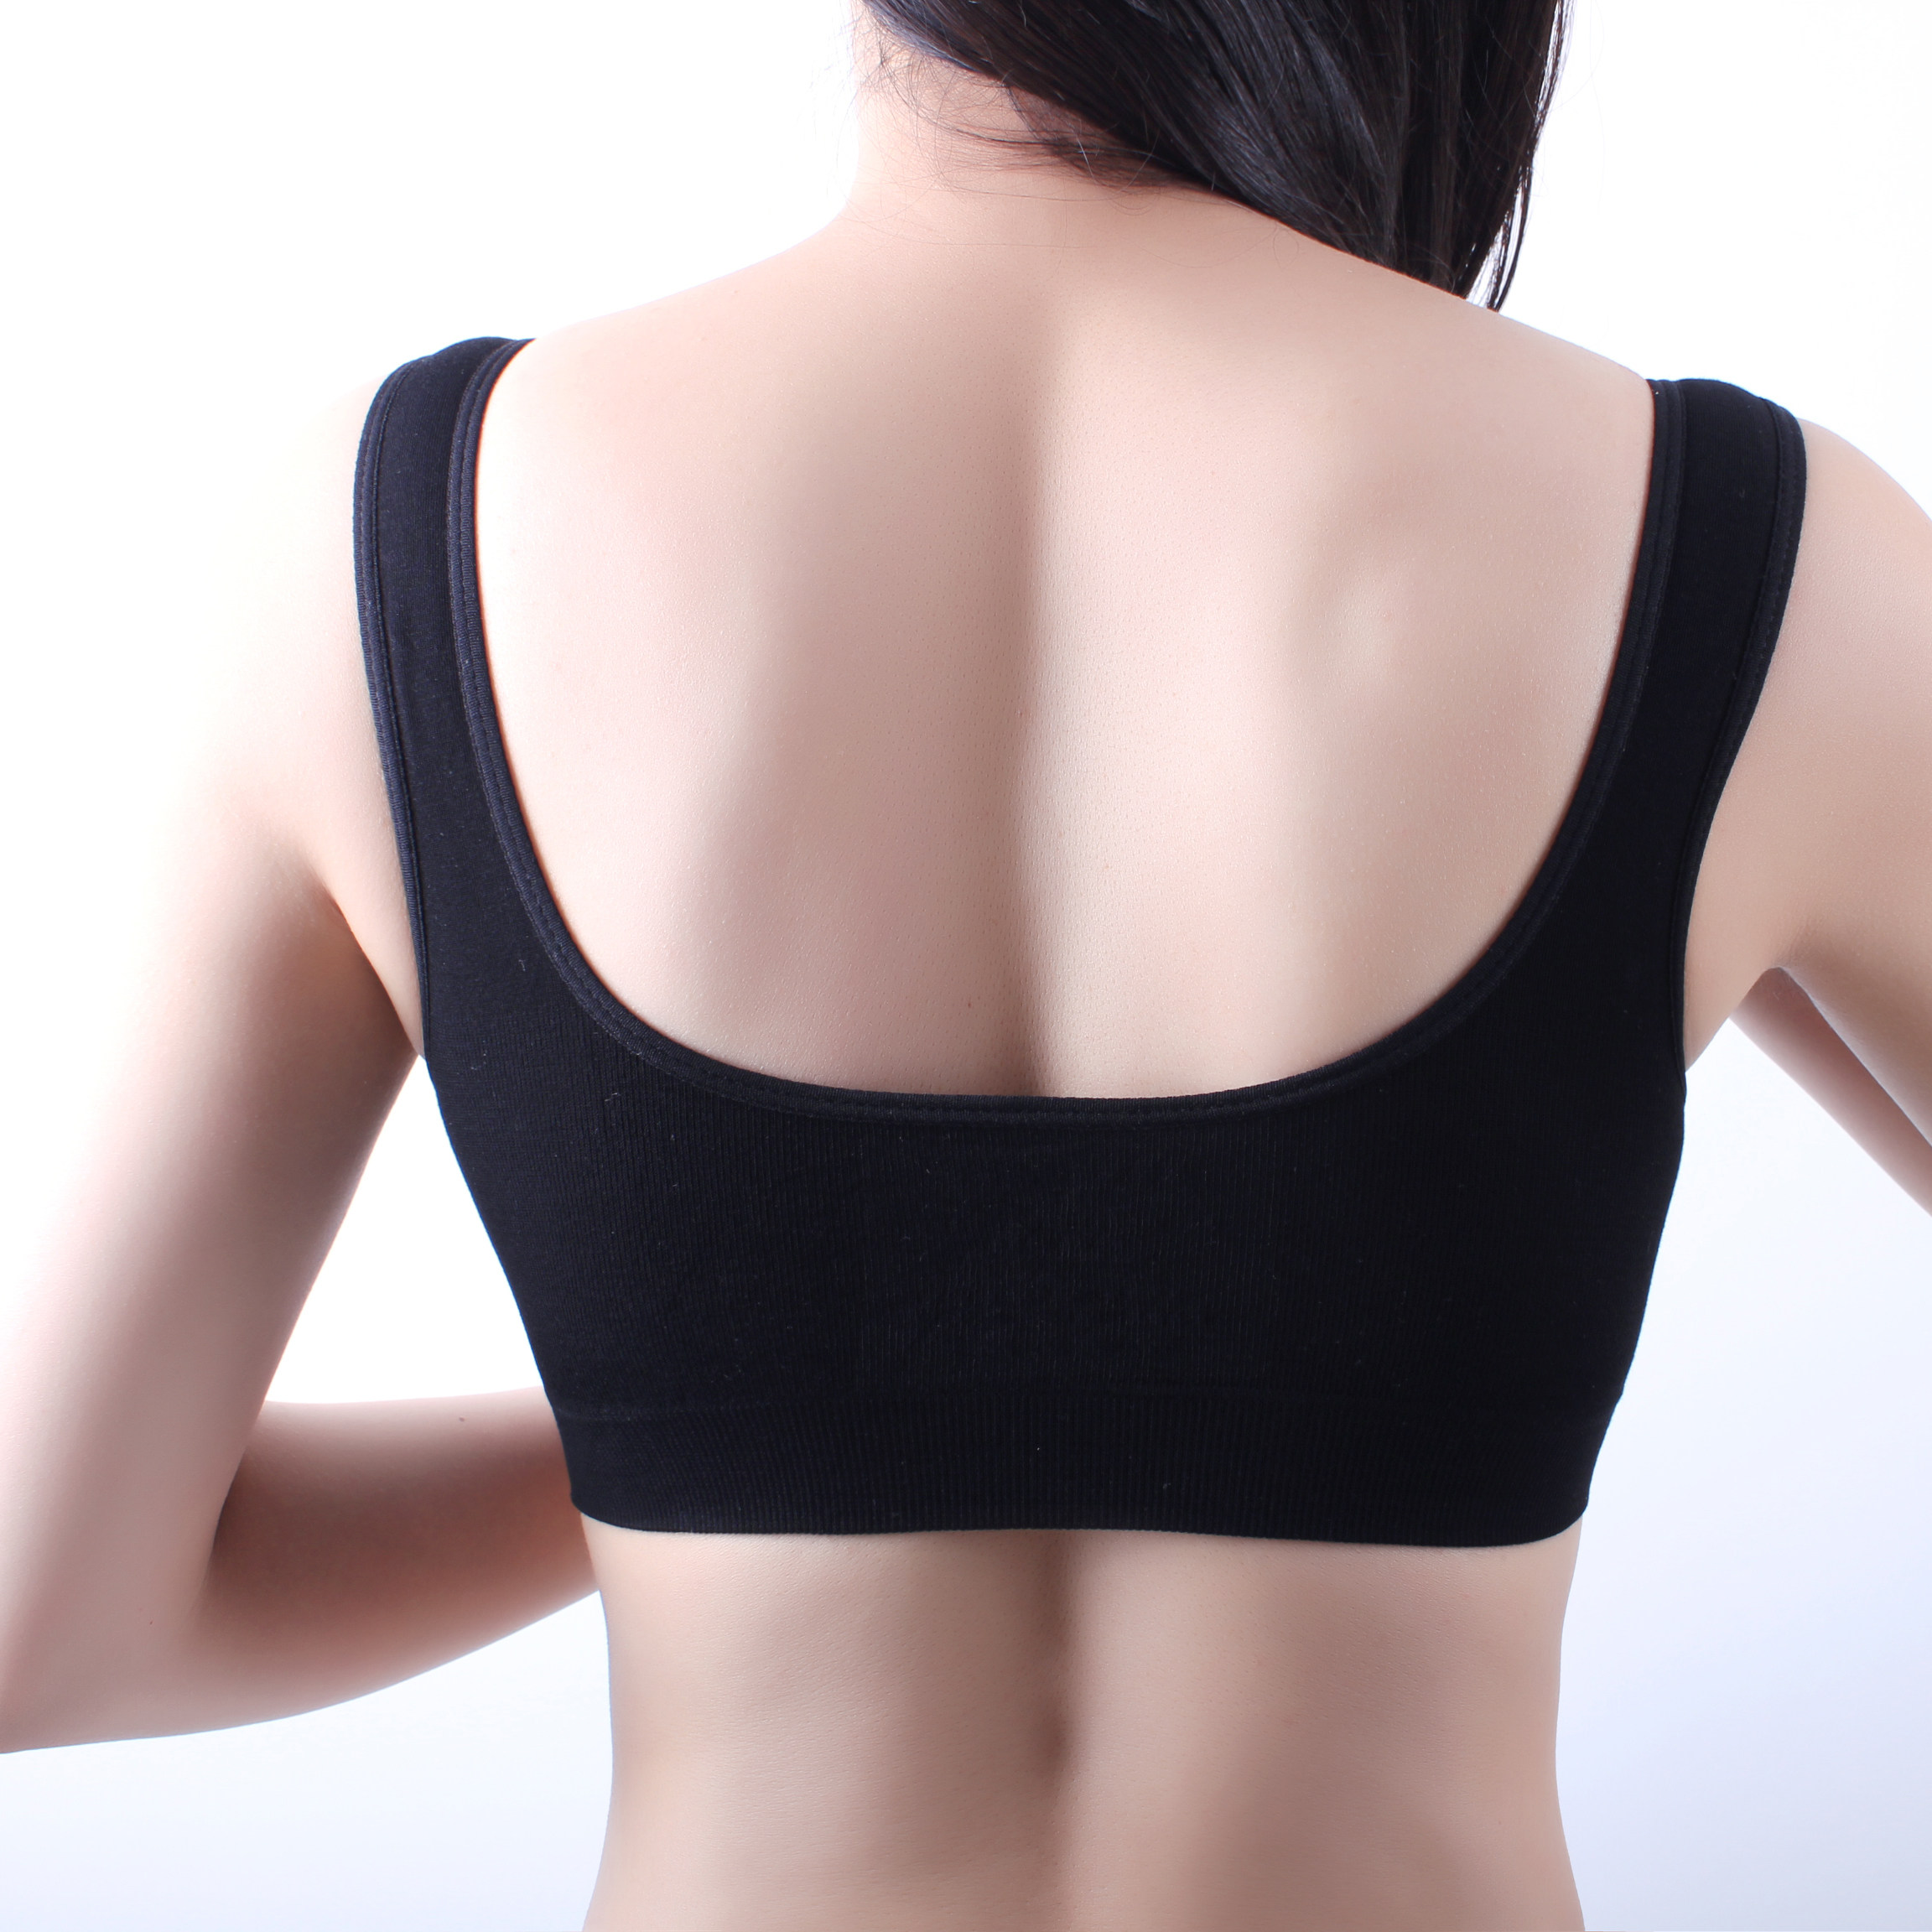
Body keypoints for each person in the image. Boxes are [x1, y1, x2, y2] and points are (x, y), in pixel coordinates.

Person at [2, 1, 1929, 1926]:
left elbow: (47, 1622)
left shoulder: (385, 545)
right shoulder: (1753, 560)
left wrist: (725, 1424)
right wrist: (1688, 777)